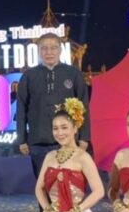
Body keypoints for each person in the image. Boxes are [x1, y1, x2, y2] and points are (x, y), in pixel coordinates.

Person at [32, 100, 105, 212]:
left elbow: (99, 191)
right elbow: (39, 189)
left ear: (75, 128)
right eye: (55, 128)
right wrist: (48, 210)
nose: (60, 133)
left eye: (64, 127)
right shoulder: (50, 156)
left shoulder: (83, 157)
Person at [16, 33, 90, 178]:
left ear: (60, 50)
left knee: (68, 185)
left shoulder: (73, 74)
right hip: (38, 143)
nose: (49, 52)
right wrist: (22, 140)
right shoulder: (29, 76)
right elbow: (21, 109)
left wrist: (84, 137)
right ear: (39, 51)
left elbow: (84, 106)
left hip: (68, 141)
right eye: (44, 48)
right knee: (43, 185)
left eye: (53, 48)